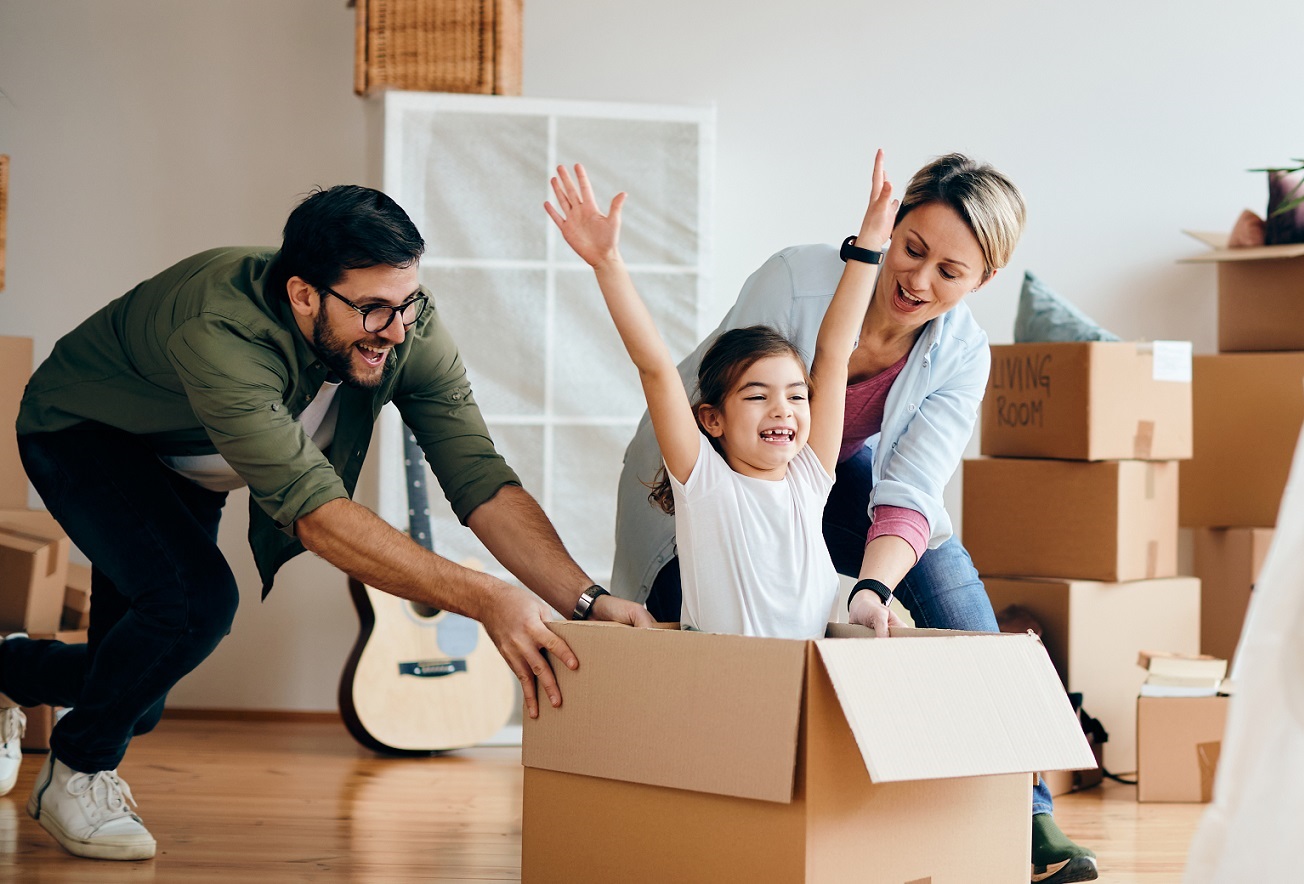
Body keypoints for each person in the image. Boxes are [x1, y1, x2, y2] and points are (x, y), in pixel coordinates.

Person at [0, 184, 653, 862]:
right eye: (373, 309)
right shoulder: (222, 331)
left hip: (189, 461)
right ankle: (77, 772)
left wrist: (587, 599)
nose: (397, 331)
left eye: (407, 304)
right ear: (304, 294)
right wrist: (486, 598)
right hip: (87, 433)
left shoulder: (404, 328)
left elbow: (478, 476)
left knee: (139, 690)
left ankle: (8, 669)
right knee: (195, 604)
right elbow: (314, 514)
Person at [610, 153, 1098, 884]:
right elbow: (719, 393)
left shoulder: (961, 352)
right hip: (707, 472)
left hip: (821, 475)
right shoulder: (795, 281)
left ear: (983, 281)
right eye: (912, 249)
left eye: (950, 272)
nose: (919, 281)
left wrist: (871, 590)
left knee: (942, 568)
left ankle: (1024, 813)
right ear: (892, 227)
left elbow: (910, 486)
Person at [546, 155, 894, 637]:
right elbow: (656, 370)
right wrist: (608, 264)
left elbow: (833, 353)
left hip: (803, 686)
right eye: (757, 397)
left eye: (796, 397)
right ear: (712, 419)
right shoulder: (705, 483)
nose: (782, 409)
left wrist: (871, 245)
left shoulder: (810, 480)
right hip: (724, 688)